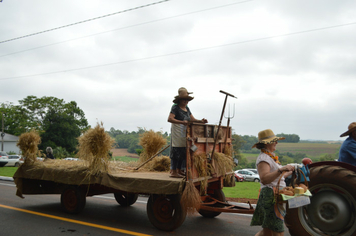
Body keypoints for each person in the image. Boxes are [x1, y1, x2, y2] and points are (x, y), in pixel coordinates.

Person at [250, 129, 295, 236]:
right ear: (267, 143)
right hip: (271, 196)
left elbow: (278, 177)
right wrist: (281, 169)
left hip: (274, 195)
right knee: (277, 231)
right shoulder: (264, 158)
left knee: (267, 231)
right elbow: (265, 179)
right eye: (274, 140)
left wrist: (290, 171)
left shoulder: (270, 156)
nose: (276, 143)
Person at [167, 87, 208, 178]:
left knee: (183, 150)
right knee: (176, 150)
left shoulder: (187, 109)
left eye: (187, 100)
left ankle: (180, 170)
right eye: (184, 100)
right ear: (180, 100)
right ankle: (173, 171)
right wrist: (181, 122)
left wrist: (201, 121)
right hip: (177, 131)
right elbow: (170, 119)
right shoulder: (175, 108)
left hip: (185, 131)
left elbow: (192, 119)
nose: (186, 101)